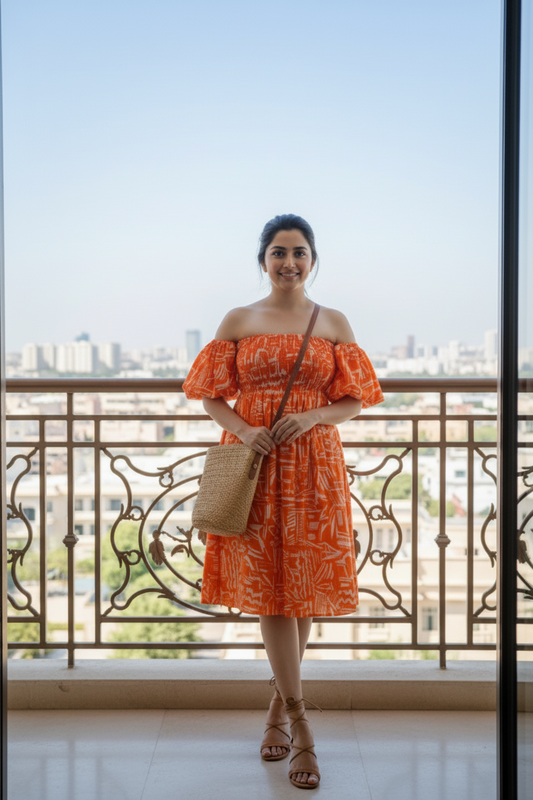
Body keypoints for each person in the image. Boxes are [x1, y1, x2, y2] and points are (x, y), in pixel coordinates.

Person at [183, 214, 384, 789]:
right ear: (263, 260)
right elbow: (210, 397)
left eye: (299, 252)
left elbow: (354, 398)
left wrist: (315, 414)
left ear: (312, 260)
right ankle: (302, 728)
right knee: (272, 590)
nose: (288, 262)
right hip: (255, 464)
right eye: (278, 252)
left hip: (313, 463)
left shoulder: (334, 322)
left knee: (300, 590)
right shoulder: (239, 320)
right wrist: (246, 430)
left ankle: (276, 710)